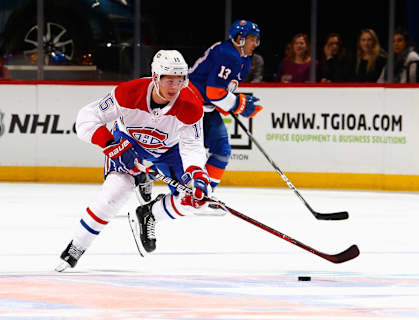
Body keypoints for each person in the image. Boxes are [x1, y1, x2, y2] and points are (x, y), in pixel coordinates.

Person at [55, 49, 216, 271]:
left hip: (169, 150)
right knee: (115, 192)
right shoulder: (128, 93)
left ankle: (150, 213)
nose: (175, 86)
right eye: (169, 79)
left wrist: (196, 174)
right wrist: (112, 145)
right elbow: (86, 118)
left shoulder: (191, 105)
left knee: (194, 199)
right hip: (127, 142)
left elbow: (192, 146)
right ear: (155, 77)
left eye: (180, 80)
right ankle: (76, 246)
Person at [187, 19, 263, 189]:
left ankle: (204, 194)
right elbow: (213, 92)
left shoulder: (244, 61)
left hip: (206, 107)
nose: (255, 44)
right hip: (188, 106)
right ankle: (143, 174)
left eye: (256, 40)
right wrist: (238, 104)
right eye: (252, 39)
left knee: (222, 150)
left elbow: (219, 92)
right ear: (239, 38)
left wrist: (232, 104)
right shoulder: (227, 54)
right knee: (173, 152)